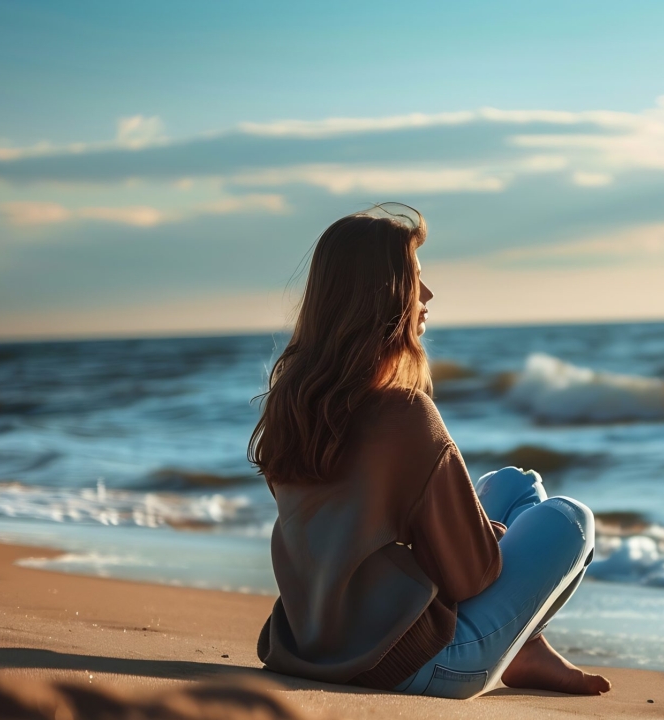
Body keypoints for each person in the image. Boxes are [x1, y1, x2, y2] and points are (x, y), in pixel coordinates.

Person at [248, 204, 611, 699]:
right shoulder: (404, 413)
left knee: (514, 485)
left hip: (312, 649)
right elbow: (470, 576)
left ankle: (527, 648)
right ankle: (519, 647)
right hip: (418, 664)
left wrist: (460, 535)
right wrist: (487, 539)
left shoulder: (294, 409)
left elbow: (346, 539)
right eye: (415, 278)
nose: (427, 294)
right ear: (385, 296)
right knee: (570, 519)